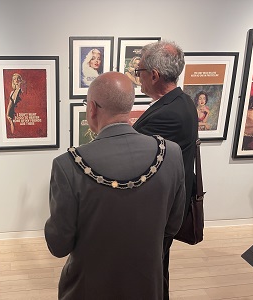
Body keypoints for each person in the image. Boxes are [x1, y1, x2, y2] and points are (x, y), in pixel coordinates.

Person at [45, 71, 186, 300]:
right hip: (147, 287)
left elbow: (58, 245)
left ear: (91, 108)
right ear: (128, 106)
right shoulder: (170, 153)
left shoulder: (68, 165)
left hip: (88, 290)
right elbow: (172, 226)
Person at [132, 40, 199, 300]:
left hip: (159, 212)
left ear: (155, 75)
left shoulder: (169, 113)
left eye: (139, 72)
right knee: (157, 267)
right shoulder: (181, 102)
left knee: (150, 270)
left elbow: (136, 157)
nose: (138, 79)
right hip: (166, 207)